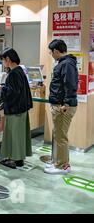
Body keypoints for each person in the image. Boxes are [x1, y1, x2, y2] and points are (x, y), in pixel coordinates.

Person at [0, 48, 32, 169]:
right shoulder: (20, 71)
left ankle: (15, 160)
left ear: (8, 60)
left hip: (15, 110)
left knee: (14, 135)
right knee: (19, 135)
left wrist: (1, 88)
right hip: (22, 109)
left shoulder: (14, 73)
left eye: (3, 60)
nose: (3, 63)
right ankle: (19, 159)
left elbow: (13, 92)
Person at [45, 39, 78, 175]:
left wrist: (66, 103)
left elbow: (69, 85)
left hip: (63, 106)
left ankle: (62, 166)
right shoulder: (64, 63)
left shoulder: (66, 64)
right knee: (58, 134)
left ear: (56, 51)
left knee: (61, 136)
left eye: (51, 52)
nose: (51, 54)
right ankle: (58, 161)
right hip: (60, 104)